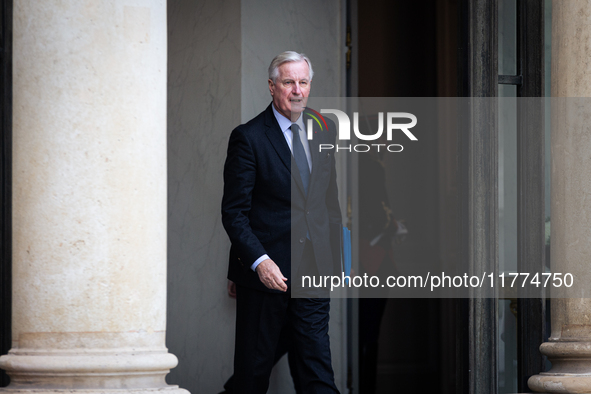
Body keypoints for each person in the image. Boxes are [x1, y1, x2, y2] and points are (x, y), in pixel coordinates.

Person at [221, 51, 342, 394]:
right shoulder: (248, 137)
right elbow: (234, 212)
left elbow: (327, 203)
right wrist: (258, 262)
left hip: (314, 269)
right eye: (289, 82)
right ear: (272, 87)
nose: (297, 90)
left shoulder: (324, 129)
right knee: (253, 373)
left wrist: (334, 258)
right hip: (266, 275)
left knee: (317, 369)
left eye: (303, 82)